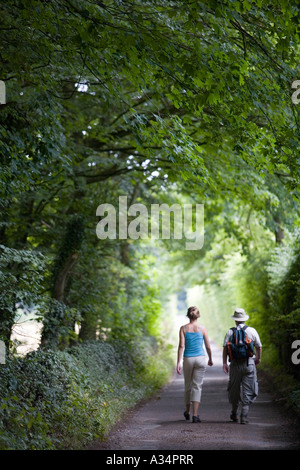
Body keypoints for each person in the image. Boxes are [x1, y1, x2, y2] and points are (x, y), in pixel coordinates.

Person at [223, 308, 262, 424]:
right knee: (248, 389)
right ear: (244, 319)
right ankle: (244, 415)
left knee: (234, 389)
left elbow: (225, 348)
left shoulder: (230, 332)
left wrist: (225, 363)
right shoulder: (252, 331)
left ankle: (234, 413)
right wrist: (258, 358)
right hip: (248, 363)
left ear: (235, 320)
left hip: (234, 364)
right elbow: (259, 346)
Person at [177, 306, 213, 423]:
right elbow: (207, 346)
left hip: (188, 358)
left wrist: (178, 362)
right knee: (197, 386)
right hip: (200, 358)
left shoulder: (183, 329)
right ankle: (195, 415)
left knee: (188, 385)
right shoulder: (202, 328)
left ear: (188, 315)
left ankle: (187, 412)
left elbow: (181, 346)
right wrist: (210, 358)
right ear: (198, 315)